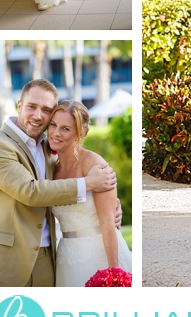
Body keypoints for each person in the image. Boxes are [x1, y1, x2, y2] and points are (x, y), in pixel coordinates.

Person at [0, 80, 117, 287]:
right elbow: (30, 191)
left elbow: (61, 186)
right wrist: (88, 184)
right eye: (32, 106)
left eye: (46, 110)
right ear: (19, 105)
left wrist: (109, 206)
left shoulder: (49, 147)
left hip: (49, 261)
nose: (38, 115)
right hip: (4, 262)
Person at [49, 101, 132, 286]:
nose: (55, 133)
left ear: (79, 134)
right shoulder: (50, 168)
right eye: (53, 125)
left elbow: (108, 223)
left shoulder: (95, 165)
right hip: (66, 259)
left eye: (65, 128)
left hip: (99, 256)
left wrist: (114, 275)